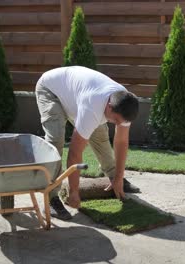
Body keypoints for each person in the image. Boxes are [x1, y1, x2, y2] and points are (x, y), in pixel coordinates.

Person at [35, 66, 140, 220]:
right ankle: (51, 197)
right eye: (116, 120)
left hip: (74, 95)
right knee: (55, 140)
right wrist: (74, 191)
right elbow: (75, 153)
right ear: (109, 107)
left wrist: (118, 176)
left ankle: (114, 179)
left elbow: (121, 141)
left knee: (101, 136)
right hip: (50, 90)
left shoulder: (125, 103)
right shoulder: (92, 107)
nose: (118, 124)